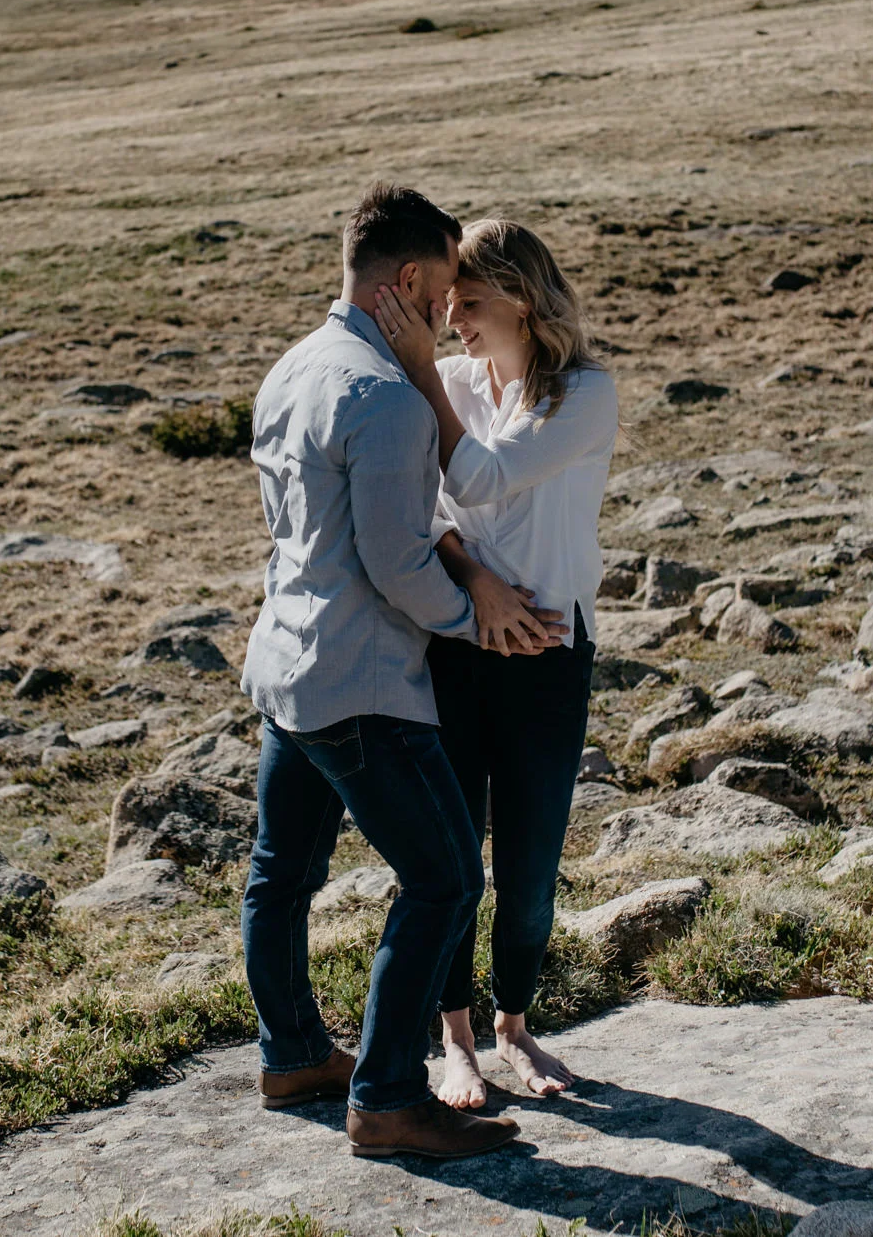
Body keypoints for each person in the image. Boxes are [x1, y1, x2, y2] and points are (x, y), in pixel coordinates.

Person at [239, 182, 564, 1161]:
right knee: (446, 878)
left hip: (286, 666)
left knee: (279, 876)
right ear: (412, 278)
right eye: (443, 287)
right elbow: (396, 562)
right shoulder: (383, 394)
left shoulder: (293, 366)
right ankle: (385, 1098)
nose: (447, 308)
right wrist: (482, 618)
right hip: (361, 681)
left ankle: (294, 1054)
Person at [372, 218, 617, 1111]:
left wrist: (419, 374)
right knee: (449, 857)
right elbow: (427, 505)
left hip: (550, 653)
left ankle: (515, 1025)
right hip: (458, 644)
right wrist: (478, 584)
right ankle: (457, 1040)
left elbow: (475, 478)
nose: (454, 322)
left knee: (530, 862)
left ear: (522, 300)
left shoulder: (585, 394)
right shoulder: (453, 382)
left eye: (470, 304)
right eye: (449, 305)